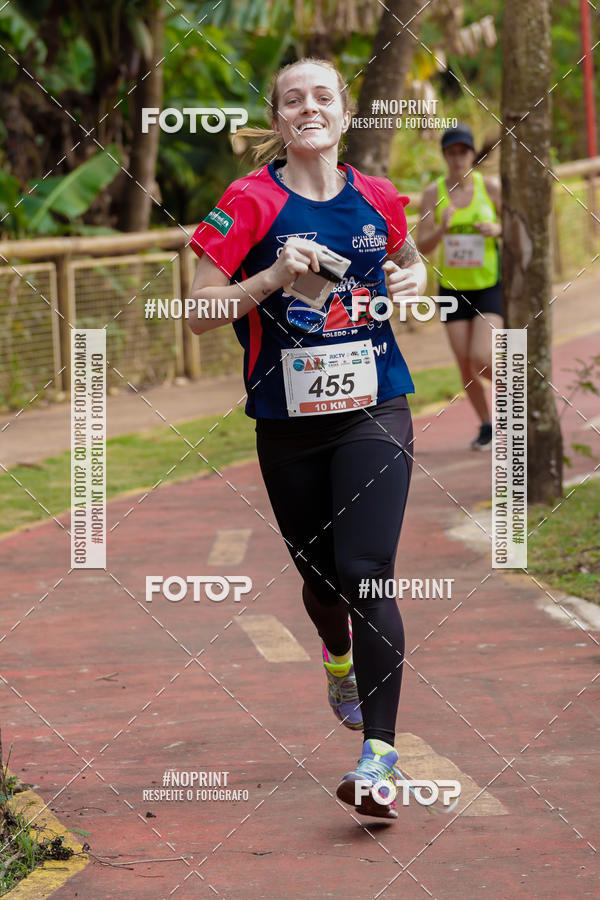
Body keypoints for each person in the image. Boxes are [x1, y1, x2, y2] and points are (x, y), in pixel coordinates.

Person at [187, 58, 427, 819]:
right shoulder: (248, 202)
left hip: (375, 409)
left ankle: (381, 760)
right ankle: (336, 656)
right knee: (323, 583)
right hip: (287, 426)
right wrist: (268, 280)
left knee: (367, 569)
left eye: (323, 96)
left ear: (344, 113)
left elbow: (407, 260)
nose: (309, 108)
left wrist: (413, 281)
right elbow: (192, 311)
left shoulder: (378, 196)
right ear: (280, 117)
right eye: (294, 99)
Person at [417, 124, 503, 450]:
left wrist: (496, 228)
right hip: (452, 290)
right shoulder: (432, 193)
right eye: (451, 153)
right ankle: (486, 425)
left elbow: (515, 223)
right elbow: (421, 246)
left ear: (471, 154)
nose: (457, 159)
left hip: (488, 284)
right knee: (466, 366)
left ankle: (520, 394)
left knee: (482, 357)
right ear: (444, 155)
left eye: (462, 152)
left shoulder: (490, 187)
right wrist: (442, 228)